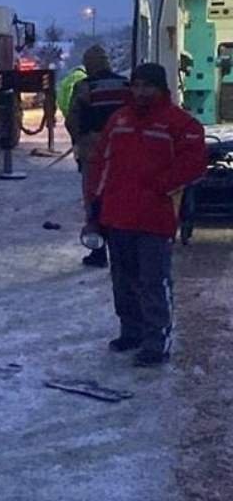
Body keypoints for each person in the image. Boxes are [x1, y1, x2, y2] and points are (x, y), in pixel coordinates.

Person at [85, 63, 206, 367]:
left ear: (161, 88)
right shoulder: (119, 119)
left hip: (154, 218)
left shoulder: (180, 124)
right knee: (123, 281)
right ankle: (131, 331)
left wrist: (160, 186)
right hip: (116, 215)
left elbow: (194, 164)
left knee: (153, 281)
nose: (140, 92)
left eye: (147, 86)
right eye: (136, 85)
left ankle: (157, 340)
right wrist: (94, 203)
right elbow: (101, 163)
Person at [65, 45, 130, 268]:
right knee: (122, 200)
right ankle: (123, 250)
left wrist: (79, 143)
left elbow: (73, 119)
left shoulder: (85, 87)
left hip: (93, 153)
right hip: (123, 153)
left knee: (95, 202)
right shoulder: (125, 84)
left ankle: (98, 252)